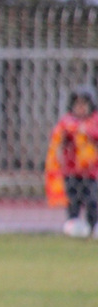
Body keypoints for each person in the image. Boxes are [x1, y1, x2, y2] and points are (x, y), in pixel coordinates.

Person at [46, 85, 98, 237]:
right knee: (73, 198)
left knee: (92, 199)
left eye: (84, 105)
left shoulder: (94, 121)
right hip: (72, 170)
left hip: (91, 171)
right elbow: (57, 137)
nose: (80, 108)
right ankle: (73, 221)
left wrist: (85, 131)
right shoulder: (67, 122)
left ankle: (93, 223)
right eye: (77, 105)